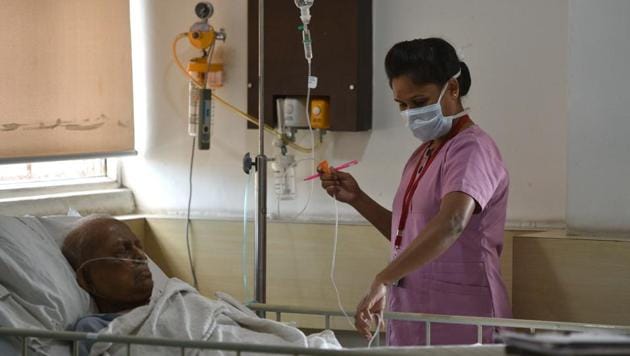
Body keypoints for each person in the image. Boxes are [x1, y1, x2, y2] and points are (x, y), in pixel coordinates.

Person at [320, 37, 511, 346]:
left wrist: (385, 277)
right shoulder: (424, 154)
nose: (410, 113)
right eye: (402, 105)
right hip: (415, 312)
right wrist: (358, 199)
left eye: (419, 102)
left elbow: (452, 223)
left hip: (463, 317)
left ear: (452, 88)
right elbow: (409, 235)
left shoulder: (472, 148)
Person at [62, 216, 153, 355]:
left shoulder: (174, 300)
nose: (141, 256)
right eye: (123, 251)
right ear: (87, 279)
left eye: (139, 247)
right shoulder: (95, 329)